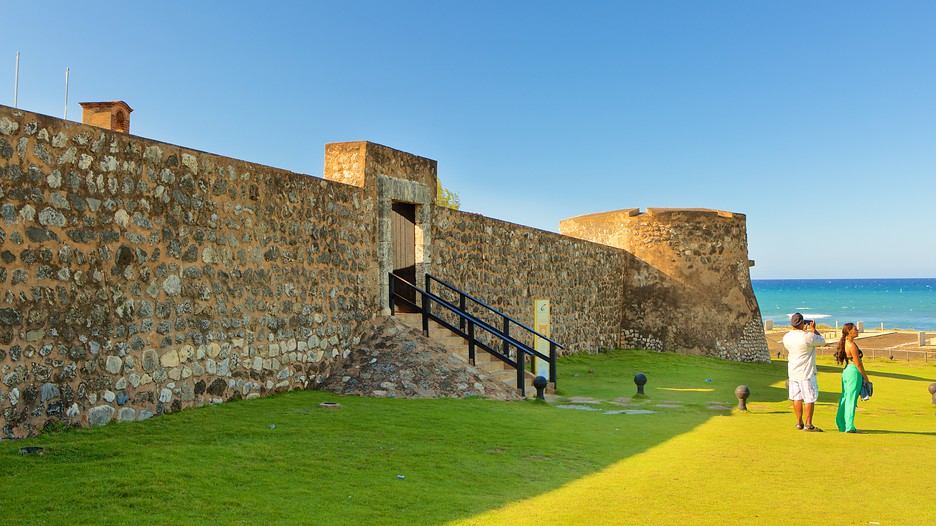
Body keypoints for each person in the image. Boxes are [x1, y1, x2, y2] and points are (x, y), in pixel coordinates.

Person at [782, 312, 826, 431]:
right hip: (806, 372)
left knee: (797, 398)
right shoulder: (808, 336)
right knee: (809, 398)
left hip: (793, 372)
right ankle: (808, 424)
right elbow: (822, 341)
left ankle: (799, 422)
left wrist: (805, 331)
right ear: (802, 322)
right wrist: (813, 330)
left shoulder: (786, 337)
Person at [834, 323, 870, 433]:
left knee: (845, 398)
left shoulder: (846, 343)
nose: (857, 330)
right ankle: (849, 426)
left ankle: (842, 424)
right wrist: (866, 378)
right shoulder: (851, 345)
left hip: (847, 370)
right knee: (851, 399)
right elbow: (858, 363)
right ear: (849, 331)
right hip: (853, 372)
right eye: (855, 329)